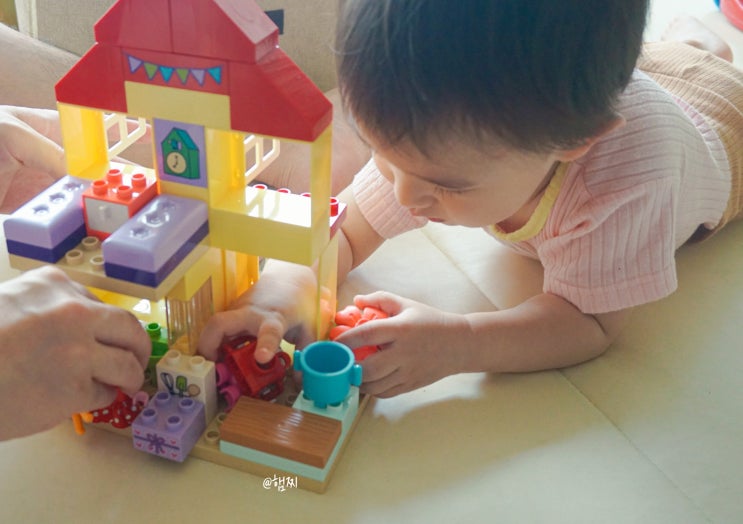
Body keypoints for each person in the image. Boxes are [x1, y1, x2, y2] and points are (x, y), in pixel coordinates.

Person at [197, 2, 743, 399]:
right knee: (651, 61)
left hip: (724, 123)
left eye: (448, 186)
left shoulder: (628, 181)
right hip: (647, 76)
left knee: (705, 72)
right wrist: (283, 293)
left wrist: (459, 342)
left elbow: (588, 321)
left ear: (572, 143)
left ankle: (707, 52)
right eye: (382, 153)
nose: (404, 194)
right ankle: (692, 44)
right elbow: (346, 229)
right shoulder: (437, 133)